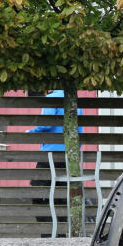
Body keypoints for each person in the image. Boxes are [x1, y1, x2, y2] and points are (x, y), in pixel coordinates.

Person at [28, 90, 83, 231]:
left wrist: (30, 133)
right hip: (70, 154)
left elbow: (46, 124)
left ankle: (49, 233)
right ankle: (64, 232)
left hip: (52, 153)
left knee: (38, 192)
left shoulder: (52, 97)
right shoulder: (73, 97)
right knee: (62, 195)